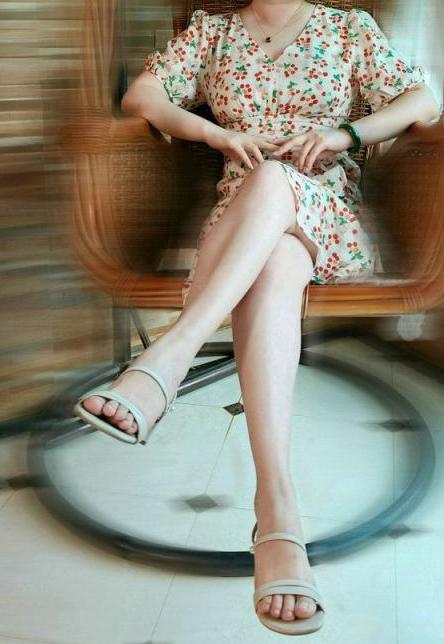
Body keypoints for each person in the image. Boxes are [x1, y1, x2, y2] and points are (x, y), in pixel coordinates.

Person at [73, 0, 439, 635]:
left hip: (325, 206)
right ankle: (277, 512)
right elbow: (143, 96)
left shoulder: (347, 27)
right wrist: (216, 135)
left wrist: (345, 136)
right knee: (270, 247)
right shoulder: (213, 32)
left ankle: (169, 359)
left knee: (276, 181)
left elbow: (422, 101)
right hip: (240, 218)